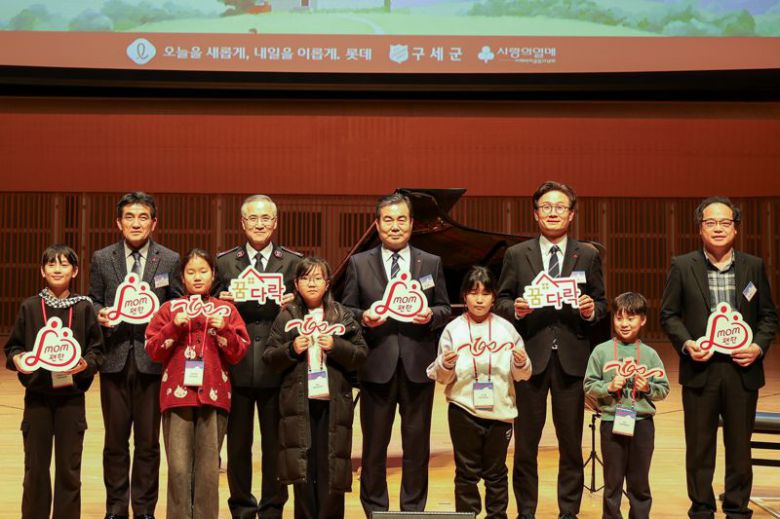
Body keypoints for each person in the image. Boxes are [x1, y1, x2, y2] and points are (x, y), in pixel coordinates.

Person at [496, 180, 607, 519]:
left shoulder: (587, 254)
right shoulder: (518, 254)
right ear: (536, 213)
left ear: (571, 214)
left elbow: (602, 303)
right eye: (546, 207)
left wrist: (591, 310)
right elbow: (500, 301)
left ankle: (568, 513)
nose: (553, 212)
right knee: (525, 445)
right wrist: (517, 308)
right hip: (529, 358)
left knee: (570, 444)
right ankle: (526, 512)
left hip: (572, 360)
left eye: (560, 207)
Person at [660, 196, 777, 519]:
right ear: (700, 229)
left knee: (739, 447)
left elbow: (768, 316)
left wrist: (757, 347)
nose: (718, 228)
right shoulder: (683, 265)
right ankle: (701, 508)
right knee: (699, 448)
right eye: (710, 222)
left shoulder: (753, 265)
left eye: (725, 222)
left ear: (735, 229)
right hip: (701, 369)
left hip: (742, 370)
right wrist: (687, 344)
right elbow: (669, 315)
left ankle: (737, 509)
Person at [341, 192, 451, 516]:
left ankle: (412, 510)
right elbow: (346, 310)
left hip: (418, 366)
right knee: (374, 447)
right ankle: (375, 510)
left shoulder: (430, 263)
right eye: (388, 219)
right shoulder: (359, 264)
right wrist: (364, 317)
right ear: (377, 224)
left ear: (412, 224)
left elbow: (445, 306)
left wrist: (431, 315)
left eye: (401, 219)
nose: (394, 226)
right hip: (376, 366)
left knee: (417, 448)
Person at [89, 191, 182, 519]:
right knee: (115, 443)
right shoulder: (102, 259)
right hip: (114, 359)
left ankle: (144, 510)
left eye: (143, 217)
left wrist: (170, 319)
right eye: (129, 216)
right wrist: (99, 313)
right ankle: (115, 509)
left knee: (148, 443)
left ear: (154, 222)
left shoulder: (169, 260)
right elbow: (93, 300)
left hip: (153, 363)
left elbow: (176, 303)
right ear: (118, 222)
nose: (136, 223)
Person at [213, 194, 301, 519]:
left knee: (276, 445)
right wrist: (220, 302)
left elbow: (311, 306)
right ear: (242, 222)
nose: (259, 224)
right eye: (253, 218)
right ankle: (241, 508)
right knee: (237, 446)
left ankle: (272, 508)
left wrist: (296, 301)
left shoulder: (293, 262)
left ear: (275, 223)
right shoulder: (224, 263)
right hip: (236, 367)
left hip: (278, 367)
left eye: (266, 218)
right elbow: (205, 306)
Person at [145, 249, 249, 519]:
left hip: (214, 397)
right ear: (182, 277)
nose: (197, 277)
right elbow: (153, 350)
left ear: (213, 275)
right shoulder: (169, 309)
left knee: (207, 471)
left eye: (203, 271)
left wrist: (224, 328)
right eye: (191, 272)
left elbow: (239, 353)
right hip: (177, 397)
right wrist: (173, 327)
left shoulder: (226, 310)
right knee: (178, 469)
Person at [5, 244, 104, 519]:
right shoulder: (30, 307)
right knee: (35, 469)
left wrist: (85, 364)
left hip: (72, 400)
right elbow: (13, 348)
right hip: (37, 399)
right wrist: (18, 360)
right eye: (51, 264)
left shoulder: (84, 308)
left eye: (64, 264)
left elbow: (98, 351)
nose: (57, 268)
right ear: (42, 270)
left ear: (74, 271)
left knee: (69, 470)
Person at [265, 257, 368, 519]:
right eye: (306, 278)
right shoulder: (287, 315)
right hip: (298, 405)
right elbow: (269, 357)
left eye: (318, 278)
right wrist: (291, 349)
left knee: (331, 468)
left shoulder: (341, 314)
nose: (312, 283)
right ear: (296, 284)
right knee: (303, 470)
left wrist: (336, 346)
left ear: (327, 283)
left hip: (334, 404)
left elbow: (361, 353)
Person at [427, 266, 532, 519]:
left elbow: (524, 374)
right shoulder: (453, 330)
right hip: (463, 410)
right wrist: (447, 364)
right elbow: (441, 377)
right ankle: (468, 516)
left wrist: (520, 363)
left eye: (485, 293)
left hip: (501, 411)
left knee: (496, 473)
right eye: (474, 293)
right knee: (466, 473)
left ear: (494, 297)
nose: (479, 299)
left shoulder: (507, 329)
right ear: (464, 296)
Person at [584, 292, 670, 519]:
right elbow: (589, 386)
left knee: (639, 483)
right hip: (612, 422)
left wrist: (647, 388)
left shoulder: (650, 355)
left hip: (642, 424)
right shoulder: (601, 352)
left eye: (630, 318)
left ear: (642, 320)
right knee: (612, 483)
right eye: (619, 317)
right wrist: (609, 387)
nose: (624, 323)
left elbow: (663, 389)